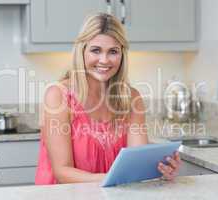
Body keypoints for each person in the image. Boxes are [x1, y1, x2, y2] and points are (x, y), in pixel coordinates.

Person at [35, 12, 181, 185]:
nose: (104, 60)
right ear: (82, 51)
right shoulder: (58, 96)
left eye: (113, 51)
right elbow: (62, 172)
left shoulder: (131, 98)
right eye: (96, 50)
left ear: (122, 54)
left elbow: (135, 163)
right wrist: (112, 179)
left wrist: (160, 171)